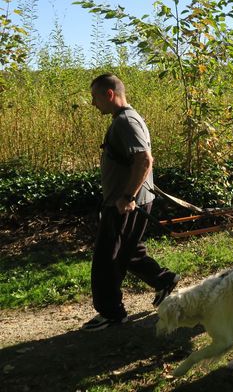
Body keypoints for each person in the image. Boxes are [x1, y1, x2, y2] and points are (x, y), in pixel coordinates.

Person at [82, 74, 179, 332]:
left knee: (107, 258)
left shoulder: (126, 121)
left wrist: (127, 197)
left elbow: (145, 159)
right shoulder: (125, 119)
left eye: (95, 97)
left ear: (109, 94)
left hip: (123, 202)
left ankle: (112, 313)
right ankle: (164, 280)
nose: (93, 104)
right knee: (130, 249)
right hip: (128, 200)